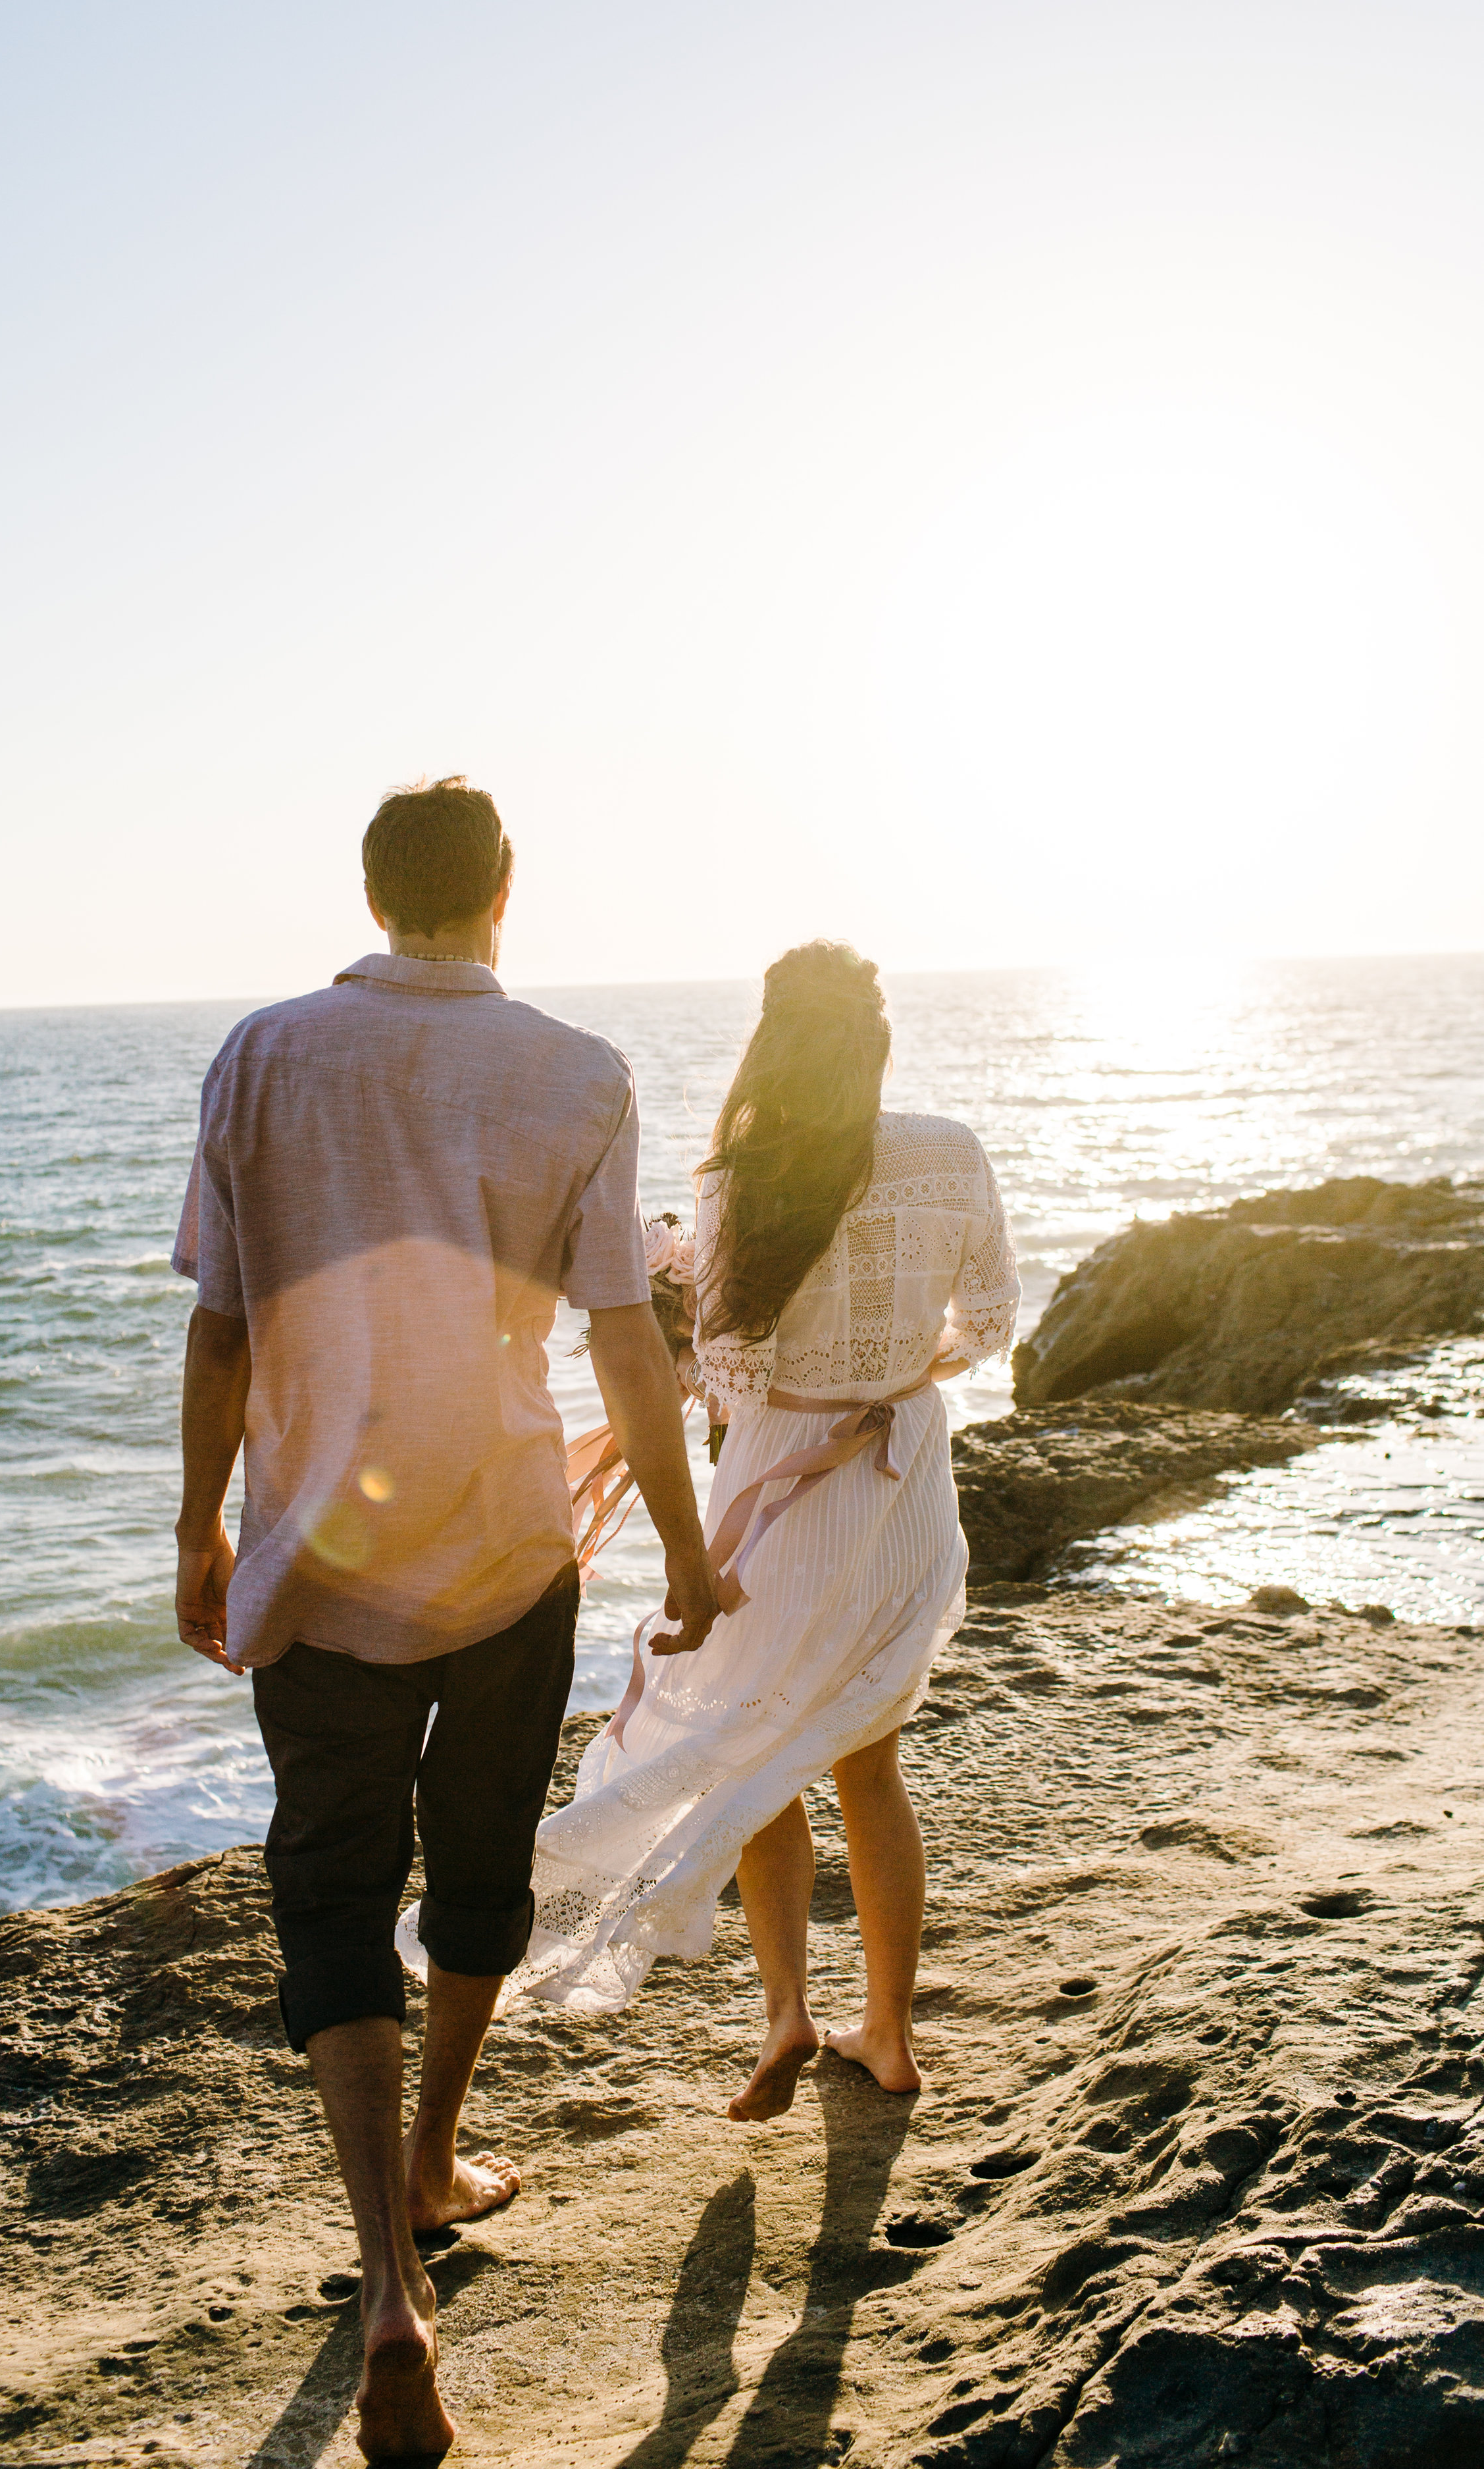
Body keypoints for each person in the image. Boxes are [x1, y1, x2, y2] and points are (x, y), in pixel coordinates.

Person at [170, 777, 717, 2461]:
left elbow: (222, 1332)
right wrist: (689, 1558)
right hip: (501, 1549)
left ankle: (388, 2277)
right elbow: (625, 1344)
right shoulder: (578, 1071)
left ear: (369, 887)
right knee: (474, 1867)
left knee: (332, 1886)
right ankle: (434, 2151)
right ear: (503, 892)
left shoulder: (260, 1056)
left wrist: (196, 1531)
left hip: (319, 1563)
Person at [484, 941, 1019, 2123]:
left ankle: (784, 2011)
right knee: (870, 1763)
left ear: (772, 1044)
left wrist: (732, 1357)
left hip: (781, 1481)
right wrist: (896, 1369)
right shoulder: (951, 1152)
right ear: (877, 1042)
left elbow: (731, 1367)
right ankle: (887, 2031)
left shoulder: (741, 1176)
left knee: (752, 1742)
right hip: (902, 1474)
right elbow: (988, 1321)